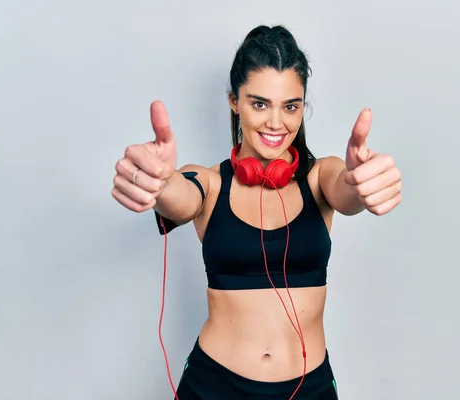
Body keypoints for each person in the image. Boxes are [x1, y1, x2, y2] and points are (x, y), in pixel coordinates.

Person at [112, 24, 402, 399]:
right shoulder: (210, 182)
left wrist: (364, 182)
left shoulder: (320, 177)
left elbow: (347, 191)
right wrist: (159, 182)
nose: (276, 123)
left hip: (307, 387)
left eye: (291, 106)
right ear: (234, 101)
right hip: (213, 385)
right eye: (259, 103)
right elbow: (180, 196)